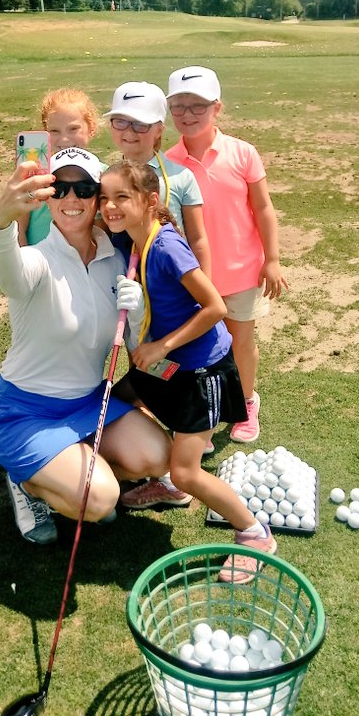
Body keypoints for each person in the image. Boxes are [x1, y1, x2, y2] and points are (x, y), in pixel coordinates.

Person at [99, 160, 278, 583]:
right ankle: (169, 487)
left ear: (150, 200)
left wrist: (161, 344)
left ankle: (254, 533)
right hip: (167, 366)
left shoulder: (165, 247)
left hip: (202, 372)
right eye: (104, 198)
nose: (110, 207)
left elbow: (215, 306)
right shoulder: (132, 241)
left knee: (187, 469)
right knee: (115, 402)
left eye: (122, 197)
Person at [0, 146, 171, 544]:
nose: (72, 199)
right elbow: (8, 274)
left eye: (84, 189)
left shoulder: (117, 261)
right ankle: (28, 482)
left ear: (98, 200)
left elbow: (137, 345)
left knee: (157, 455)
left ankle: (65, 469)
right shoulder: (36, 260)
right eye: (61, 189)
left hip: (88, 403)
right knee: (102, 499)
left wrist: (137, 313)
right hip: (25, 411)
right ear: (48, 197)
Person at [104, 81, 213, 510]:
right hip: (121, 301)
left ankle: (177, 466)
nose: (130, 132)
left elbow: (199, 240)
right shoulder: (103, 176)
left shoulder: (181, 177)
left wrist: (204, 291)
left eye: (140, 125)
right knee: (138, 379)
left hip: (166, 309)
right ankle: (163, 461)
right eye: (120, 122)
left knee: (162, 377)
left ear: (158, 130)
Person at [165, 66, 288, 445]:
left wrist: (272, 259)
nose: (187, 114)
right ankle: (203, 409)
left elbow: (263, 208)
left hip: (240, 271)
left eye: (198, 106)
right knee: (199, 347)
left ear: (217, 108)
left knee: (240, 341)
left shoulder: (242, 153)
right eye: (179, 106)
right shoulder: (167, 162)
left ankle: (247, 401)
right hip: (193, 276)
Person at [18, 88, 99, 246]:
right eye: (54, 131)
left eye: (73, 129)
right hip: (40, 265)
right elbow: (19, 229)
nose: (64, 139)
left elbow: (103, 233)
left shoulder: (102, 174)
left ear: (91, 128)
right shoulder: (32, 178)